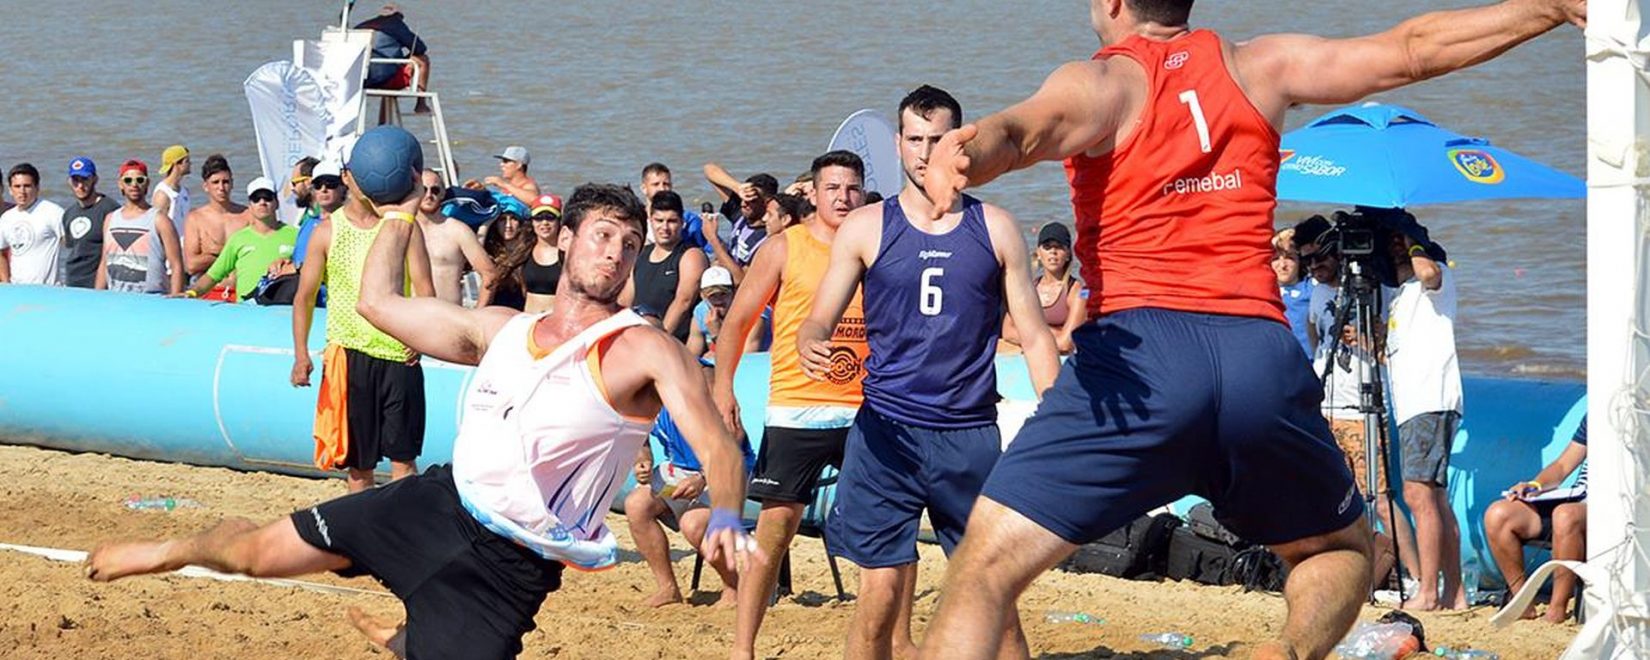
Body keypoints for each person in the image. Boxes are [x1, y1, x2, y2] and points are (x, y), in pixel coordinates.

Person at [913, 1, 1586, 658]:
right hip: (1256, 357)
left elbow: (1025, 131)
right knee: (1338, 549)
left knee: (984, 572)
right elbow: (1410, 50)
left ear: (1111, 3)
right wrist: (1546, 8)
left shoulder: (1103, 80)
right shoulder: (1263, 66)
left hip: (1142, 357)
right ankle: (1286, 651)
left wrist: (968, 154)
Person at [86, 182, 761, 660]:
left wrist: (728, 515)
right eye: (603, 236)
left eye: (630, 243)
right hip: (434, 503)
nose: (615, 253)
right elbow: (378, 302)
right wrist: (397, 215)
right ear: (569, 243)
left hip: (506, 573)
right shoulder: (501, 329)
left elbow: (716, 443)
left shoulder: (640, 346)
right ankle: (165, 553)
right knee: (255, 554)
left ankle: (412, 638)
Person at [800, 85, 1061, 659]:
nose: (925, 152)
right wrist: (809, 342)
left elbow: (1037, 333)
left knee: (996, 603)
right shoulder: (867, 226)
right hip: (885, 435)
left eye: (937, 139)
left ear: (960, 142)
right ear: (897, 145)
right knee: (880, 599)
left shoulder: (994, 228)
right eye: (914, 140)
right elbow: (818, 319)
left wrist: (1056, 411)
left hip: (968, 439)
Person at [716, 151, 870, 660]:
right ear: (814, 193)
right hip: (796, 408)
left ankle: (885, 643)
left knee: (882, 532)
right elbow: (737, 323)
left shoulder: (879, 245)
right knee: (775, 531)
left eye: (852, 188)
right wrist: (724, 390)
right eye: (833, 188)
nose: (844, 198)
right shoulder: (784, 247)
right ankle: (743, 648)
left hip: (867, 411)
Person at [291, 157, 436, 494]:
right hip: (349, 353)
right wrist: (301, 355)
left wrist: (421, 336)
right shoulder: (327, 231)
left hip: (399, 352)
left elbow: (425, 287)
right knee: (359, 465)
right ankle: (362, 540)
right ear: (348, 179)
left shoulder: (402, 228)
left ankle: (403, 536)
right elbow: (305, 297)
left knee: (404, 459)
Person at [1300, 224, 1417, 588]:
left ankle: (1416, 576)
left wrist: (1367, 341)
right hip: (1327, 407)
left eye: (1320, 258)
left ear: (1339, 253)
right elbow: (1315, 338)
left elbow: (1392, 352)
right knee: (1332, 496)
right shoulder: (1318, 293)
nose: (1314, 267)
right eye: (1307, 261)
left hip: (1363, 407)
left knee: (1381, 500)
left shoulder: (1378, 291)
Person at [624, 360, 758, 608]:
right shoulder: (651, 387)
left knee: (693, 524)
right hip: (680, 471)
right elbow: (638, 433)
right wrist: (643, 460)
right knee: (636, 505)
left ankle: (733, 587)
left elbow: (733, 442)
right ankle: (668, 589)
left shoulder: (703, 379)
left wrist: (703, 478)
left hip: (727, 470)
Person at [1382, 221, 1466, 611]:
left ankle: (1429, 591)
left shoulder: (1436, 276)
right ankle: (1455, 593)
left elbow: (1428, 272)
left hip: (1430, 399)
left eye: (1401, 248)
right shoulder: (1400, 295)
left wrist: (1412, 239)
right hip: (1414, 402)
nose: (1397, 253)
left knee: (1418, 493)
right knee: (1435, 496)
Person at [1484, 418, 1588, 623]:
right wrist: (1535, 485)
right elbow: (1562, 465)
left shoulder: (1639, 414)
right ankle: (1522, 603)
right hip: (1577, 497)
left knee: (1565, 515)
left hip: (1617, 507)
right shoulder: (1598, 412)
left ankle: (1557, 609)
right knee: (1499, 514)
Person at [179, 177, 297, 303]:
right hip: (246, 310)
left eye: (267, 197)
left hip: (285, 310)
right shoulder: (238, 238)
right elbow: (213, 275)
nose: (262, 202)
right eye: (256, 198)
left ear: (277, 203)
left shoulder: (295, 235)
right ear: (250, 205)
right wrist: (192, 293)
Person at [622, 190, 708, 342]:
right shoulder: (641, 254)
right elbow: (627, 299)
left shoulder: (691, 256)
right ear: (650, 221)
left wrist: (658, 340)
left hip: (674, 342)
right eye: (659, 220)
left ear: (682, 222)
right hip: (639, 338)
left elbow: (684, 302)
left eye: (672, 221)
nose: (665, 228)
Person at [95, 160, 185, 295]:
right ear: (120, 184)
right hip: (116, 297)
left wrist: (175, 298)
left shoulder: (160, 220)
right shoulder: (110, 219)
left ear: (147, 183)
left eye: (140, 180)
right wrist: (97, 296)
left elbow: (176, 265)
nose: (134, 185)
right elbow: (104, 262)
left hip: (152, 298)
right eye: (128, 180)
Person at [1000, 222, 1086, 355]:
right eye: (1047, 247)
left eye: (1059, 247)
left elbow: (1066, 343)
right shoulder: (1029, 287)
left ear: (1068, 254)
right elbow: (1008, 331)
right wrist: (1054, 333)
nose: (1053, 252)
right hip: (1038, 355)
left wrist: (1030, 333)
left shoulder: (1077, 291)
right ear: (1038, 253)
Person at [416, 169, 497, 306]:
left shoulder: (458, 231)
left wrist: (477, 314)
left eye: (435, 190)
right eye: (423, 189)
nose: (429, 195)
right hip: (408, 318)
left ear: (443, 194)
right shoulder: (403, 228)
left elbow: (490, 274)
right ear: (415, 191)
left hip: (447, 317)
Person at [184, 154, 251, 301]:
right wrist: (232, 254)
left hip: (241, 290)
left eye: (225, 182)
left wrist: (213, 254)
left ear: (232, 183)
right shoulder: (195, 218)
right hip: (209, 291)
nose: (221, 187)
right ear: (206, 186)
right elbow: (192, 265)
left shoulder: (248, 215)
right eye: (215, 182)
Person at [355, 3, 433, 118]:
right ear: (399, 15)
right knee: (422, 59)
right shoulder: (395, 24)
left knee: (386, 68)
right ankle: (421, 104)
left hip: (360, 80)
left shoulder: (362, 26)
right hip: (385, 79)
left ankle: (382, 124)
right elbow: (420, 48)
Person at [702, 164, 777, 278]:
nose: (744, 203)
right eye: (744, 197)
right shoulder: (740, 214)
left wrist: (713, 238)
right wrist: (737, 187)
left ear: (767, 202)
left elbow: (740, 280)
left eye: (752, 200)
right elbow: (709, 169)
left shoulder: (767, 238)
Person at [59, 157, 121, 289]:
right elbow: (73, 247)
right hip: (72, 281)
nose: (80, 186)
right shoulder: (69, 213)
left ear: (95, 179)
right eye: (76, 180)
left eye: (85, 179)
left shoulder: (110, 209)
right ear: (70, 182)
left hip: (99, 283)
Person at [0, 163, 67, 285]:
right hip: (18, 289)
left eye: (27, 186)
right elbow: (1, 253)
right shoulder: (6, 218)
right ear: (10, 189)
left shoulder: (52, 212)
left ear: (37, 188)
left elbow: (72, 243)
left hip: (48, 290)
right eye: (17, 186)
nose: (22, 191)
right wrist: (6, 282)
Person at [686, 265, 768, 361]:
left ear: (734, 292)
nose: (718, 300)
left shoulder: (753, 313)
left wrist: (717, 335)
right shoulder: (701, 312)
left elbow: (747, 360)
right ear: (703, 296)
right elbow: (691, 357)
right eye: (712, 296)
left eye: (723, 294)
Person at [641, 162, 708, 253]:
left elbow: (711, 251)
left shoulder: (690, 221)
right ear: (644, 188)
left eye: (666, 184)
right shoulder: (637, 220)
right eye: (656, 184)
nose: (662, 189)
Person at [481, 196, 531, 310]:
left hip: (523, 313)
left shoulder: (530, 251)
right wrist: (487, 223)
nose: (508, 225)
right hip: (495, 312)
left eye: (514, 219)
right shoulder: (490, 251)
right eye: (502, 220)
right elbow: (474, 254)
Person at [1274, 227, 1312, 358]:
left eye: (1290, 258)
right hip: (1276, 361)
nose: (1282, 265)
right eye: (1275, 259)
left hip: (1308, 362)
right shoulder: (1263, 292)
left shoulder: (1311, 288)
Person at [153, 146, 191, 268]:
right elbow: (156, 230)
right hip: (169, 263)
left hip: (184, 256)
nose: (190, 164)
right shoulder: (162, 194)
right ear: (177, 164)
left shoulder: (184, 191)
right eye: (187, 161)